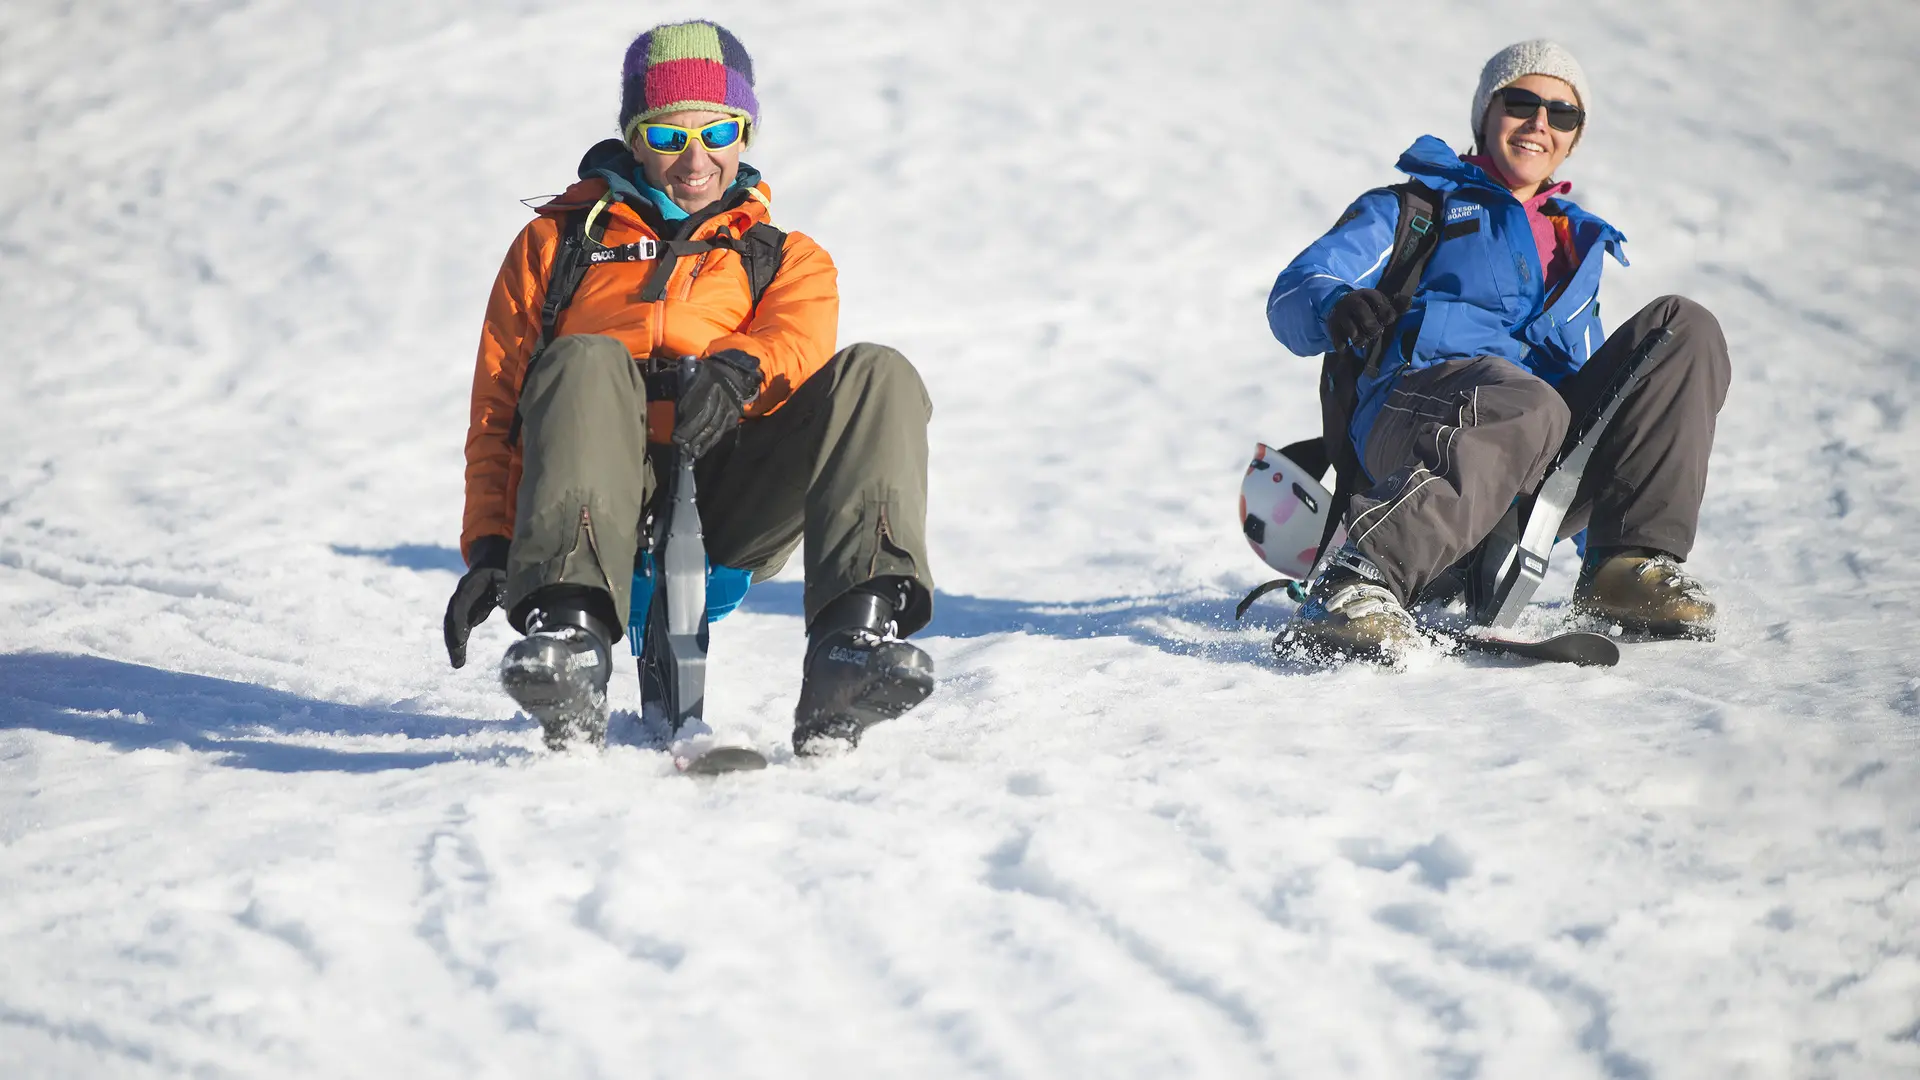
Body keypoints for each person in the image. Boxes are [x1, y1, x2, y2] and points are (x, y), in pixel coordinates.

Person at [442, 19, 936, 752]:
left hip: (732, 484)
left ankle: (852, 647)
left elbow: (797, 344)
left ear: (747, 133)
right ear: (634, 138)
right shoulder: (558, 245)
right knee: (583, 358)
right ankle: (572, 642)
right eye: (670, 136)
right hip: (595, 490)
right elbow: (501, 400)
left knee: (879, 374)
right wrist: (490, 543)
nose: (696, 159)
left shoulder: (784, 257)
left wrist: (741, 369)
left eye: (719, 132)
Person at [1266, 39, 1730, 660]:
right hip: (1419, 413)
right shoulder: (1416, 208)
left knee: (1684, 327)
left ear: (1574, 137)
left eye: (1562, 114)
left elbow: (1614, 413)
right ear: (1486, 114)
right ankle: (1359, 579)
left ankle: (1626, 568)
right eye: (1521, 102)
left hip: (1533, 435)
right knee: (1527, 400)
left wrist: (1596, 524)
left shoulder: (1578, 245)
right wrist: (1335, 306)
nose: (1540, 122)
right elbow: (1298, 287)